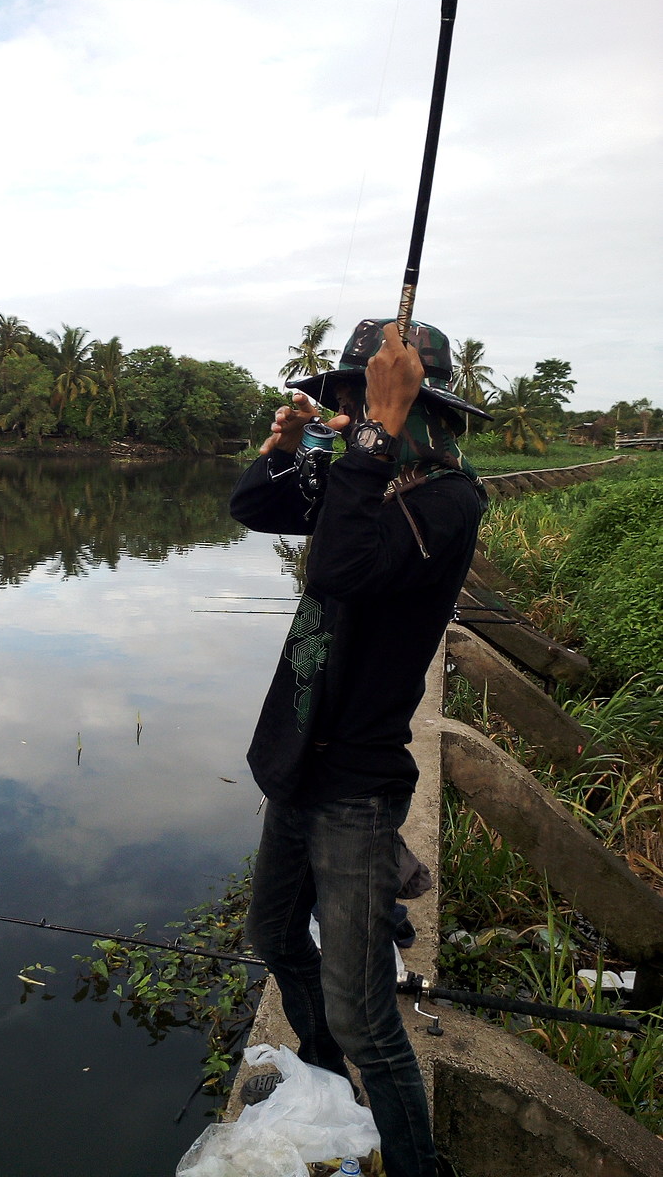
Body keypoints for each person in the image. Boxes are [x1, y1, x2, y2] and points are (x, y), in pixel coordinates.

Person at [230, 318, 489, 1177]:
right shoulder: (360, 476)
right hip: (297, 758)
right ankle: (322, 1083)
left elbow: (340, 566)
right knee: (274, 935)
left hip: (357, 785)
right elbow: (257, 506)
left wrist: (369, 440)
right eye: (346, 397)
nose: (350, 411)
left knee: (366, 1014)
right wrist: (289, 447)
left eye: (368, 397)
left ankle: (421, 1167)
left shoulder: (448, 501)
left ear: (424, 411)